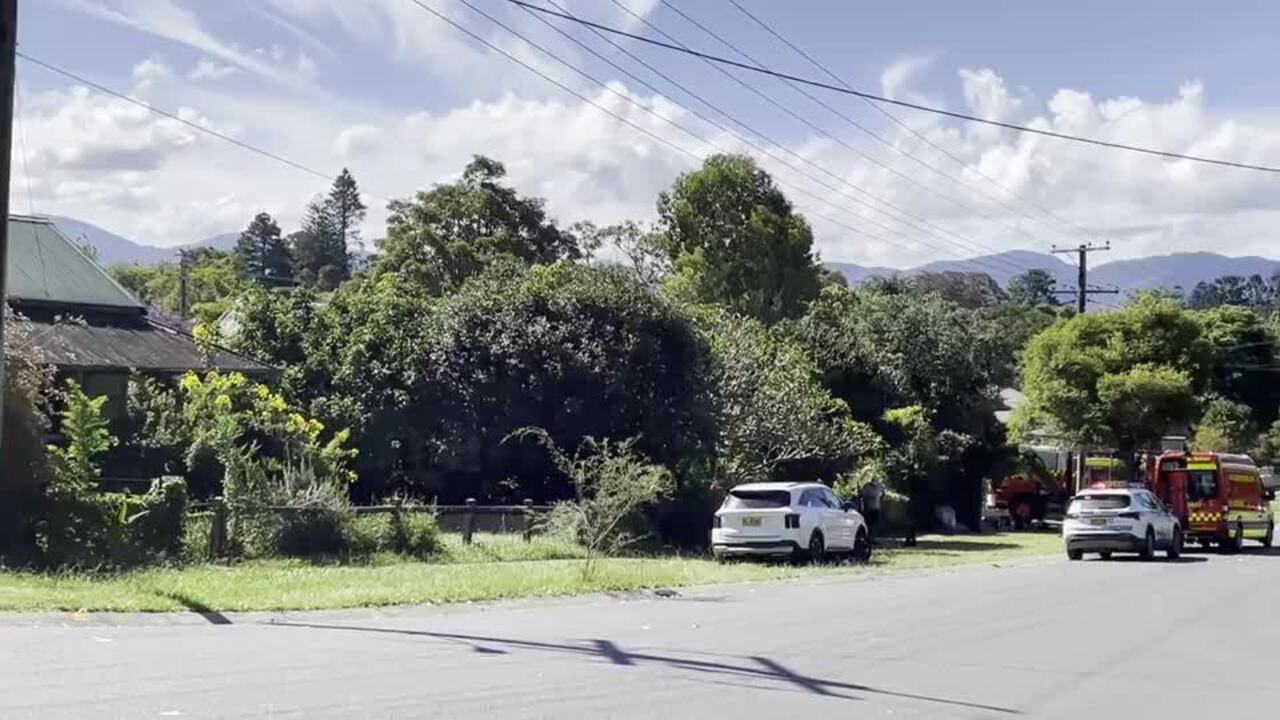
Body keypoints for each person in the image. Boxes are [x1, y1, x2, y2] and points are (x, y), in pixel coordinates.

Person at [859, 479, 885, 544]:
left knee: (874, 525)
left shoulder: (879, 486)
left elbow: (883, 494)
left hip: (876, 508)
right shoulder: (867, 486)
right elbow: (861, 496)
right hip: (869, 509)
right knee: (869, 524)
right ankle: (868, 538)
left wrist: (880, 499)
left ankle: (873, 539)